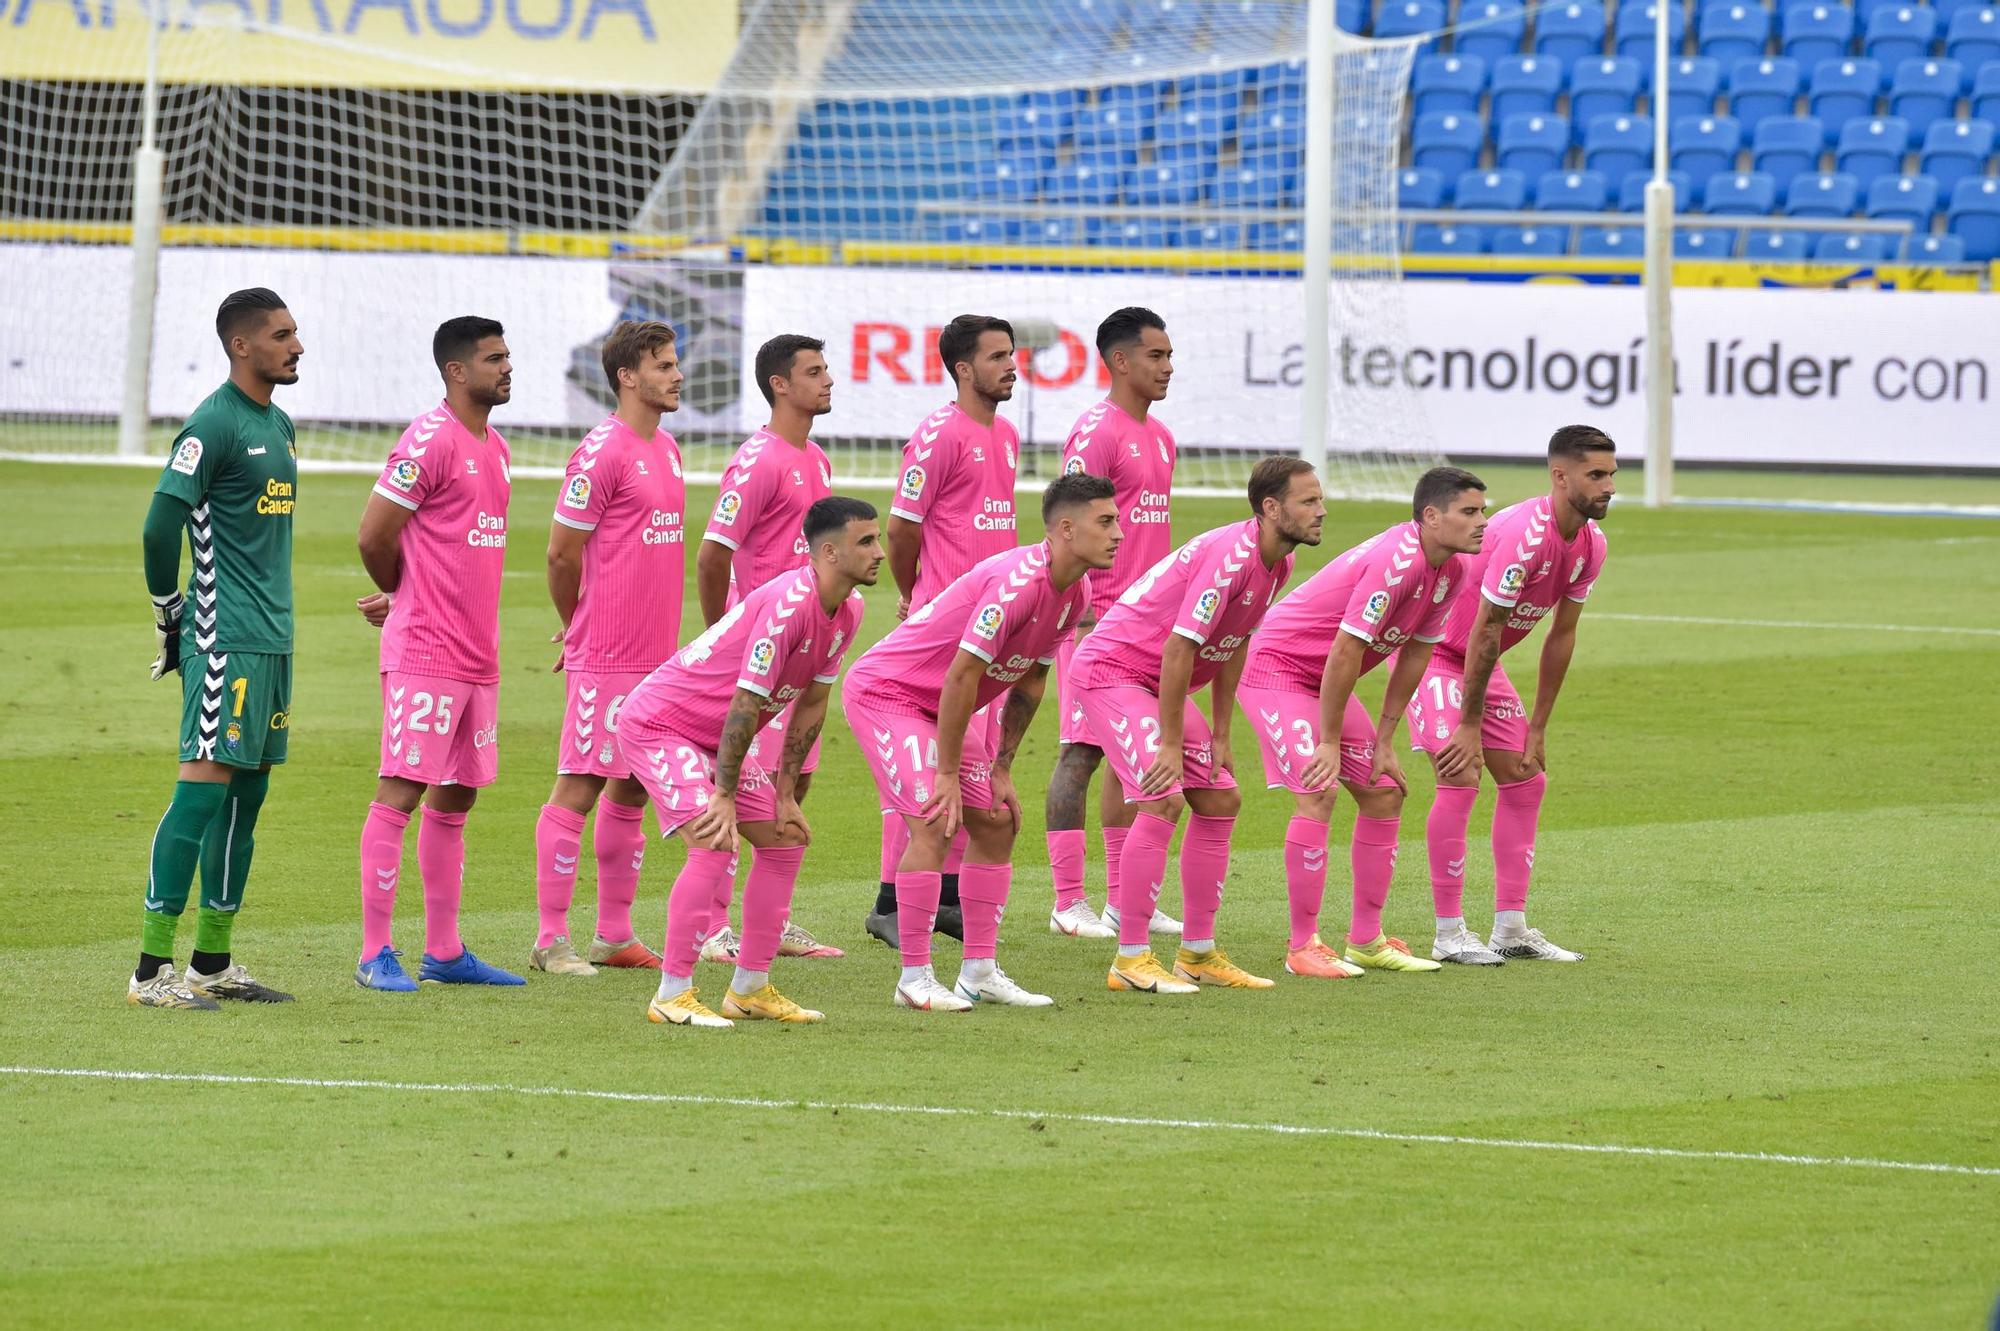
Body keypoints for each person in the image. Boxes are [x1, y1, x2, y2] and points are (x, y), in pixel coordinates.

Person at [845, 474, 1121, 1010]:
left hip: (941, 705)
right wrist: (947, 774)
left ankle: (979, 972)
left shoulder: (1076, 591)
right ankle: (914, 979)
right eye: (1105, 522)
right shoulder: (1018, 583)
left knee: (997, 819)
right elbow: (961, 676)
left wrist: (1000, 766)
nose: (1119, 533)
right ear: (1066, 529)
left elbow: (1032, 680)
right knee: (934, 818)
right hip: (889, 695)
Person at [617, 498, 884, 1027]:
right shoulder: (789, 604)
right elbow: (745, 704)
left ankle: (749, 988)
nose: (880, 552)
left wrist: (784, 794)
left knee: (786, 836)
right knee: (715, 842)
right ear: (829, 552)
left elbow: (810, 703)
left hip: (712, 737)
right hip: (661, 725)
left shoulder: (848, 610)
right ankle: (670, 994)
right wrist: (723, 794)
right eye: (866, 542)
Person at [1069, 456, 1323, 995]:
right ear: (1271, 509)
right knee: (1164, 798)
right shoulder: (1231, 557)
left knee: (1221, 799)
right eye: (1309, 501)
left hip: (1154, 679)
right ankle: (1130, 958)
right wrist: (1167, 742)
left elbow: (1236, 643)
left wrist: (1223, 733)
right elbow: (1180, 647)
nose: (1321, 511)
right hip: (1114, 671)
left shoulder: (1279, 563)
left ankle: (1198, 953)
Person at [1239, 466, 1490, 978]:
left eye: (1482, 511)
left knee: (1384, 790)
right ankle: (1302, 947)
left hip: (1324, 678)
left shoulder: (1453, 571)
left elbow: (1417, 654)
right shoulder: (1396, 562)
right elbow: (1346, 651)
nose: (1482, 522)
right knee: (1320, 788)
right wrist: (1329, 741)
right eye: (1470, 512)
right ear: (1431, 516)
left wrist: (1384, 739)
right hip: (1278, 670)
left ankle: (1366, 940)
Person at [130, 287, 302, 1009]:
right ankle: (148, 971)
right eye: (281, 335)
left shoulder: (282, 423)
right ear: (242, 345)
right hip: (223, 639)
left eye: (296, 333)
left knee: (246, 800)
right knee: (200, 795)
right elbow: (157, 525)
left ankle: (211, 959)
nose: (296, 345)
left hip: (272, 641)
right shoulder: (213, 423)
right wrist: (171, 609)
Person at [351, 317, 521, 992]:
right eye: (493, 358)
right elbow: (374, 535)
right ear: (457, 371)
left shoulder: (497, 446)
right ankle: (374, 952)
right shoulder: (429, 438)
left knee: (457, 797)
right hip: (427, 649)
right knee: (401, 790)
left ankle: (445, 951)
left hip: (479, 654)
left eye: (508, 356)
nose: (507, 367)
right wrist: (402, 593)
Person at [1410, 426, 1615, 964]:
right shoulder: (1524, 533)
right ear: (1560, 477)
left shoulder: (1592, 544)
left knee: (1526, 779)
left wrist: (1539, 725)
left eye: (1612, 474)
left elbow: (1561, 636)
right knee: (1460, 773)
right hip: (1433, 657)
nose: (1608, 486)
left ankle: (1511, 927)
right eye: (1596, 475)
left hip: (1481, 664)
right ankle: (1449, 933)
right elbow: (1484, 628)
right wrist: (1470, 724)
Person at [528, 321, 687, 976]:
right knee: (580, 783)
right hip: (607, 653)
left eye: (677, 364)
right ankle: (549, 938)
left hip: (656, 654)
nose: (677, 375)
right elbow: (561, 553)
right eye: (664, 365)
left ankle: (614, 933)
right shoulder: (602, 451)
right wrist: (579, 626)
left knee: (632, 789)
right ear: (628, 375)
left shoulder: (668, 448)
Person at [865, 314, 1023, 949]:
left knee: (972, 763)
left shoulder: (1007, 434)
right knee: (930, 766)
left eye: (1012, 355)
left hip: (991, 627)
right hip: (942, 631)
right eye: (997, 357)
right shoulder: (937, 434)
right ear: (963, 370)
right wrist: (915, 596)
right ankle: (889, 901)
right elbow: (902, 529)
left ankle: (949, 895)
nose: (1012, 366)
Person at [690, 333, 841, 962]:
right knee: (738, 791)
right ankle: (709, 926)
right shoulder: (758, 459)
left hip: (801, 655)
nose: (828, 379)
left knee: (790, 787)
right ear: (781, 384)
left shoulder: (817, 459)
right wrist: (724, 635)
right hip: (758, 656)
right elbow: (712, 554)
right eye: (814, 371)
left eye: (826, 368)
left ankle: (769, 923)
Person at [1045, 307, 1183, 940]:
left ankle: (1127, 898)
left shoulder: (1160, 437)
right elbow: (1068, 524)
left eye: (1169, 355)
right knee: (1080, 753)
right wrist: (1080, 605)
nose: (1167, 367)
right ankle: (1067, 900)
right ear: (1120, 361)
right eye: (1155, 355)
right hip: (1098, 621)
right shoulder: (1096, 431)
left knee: (1139, 757)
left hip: (1150, 623)